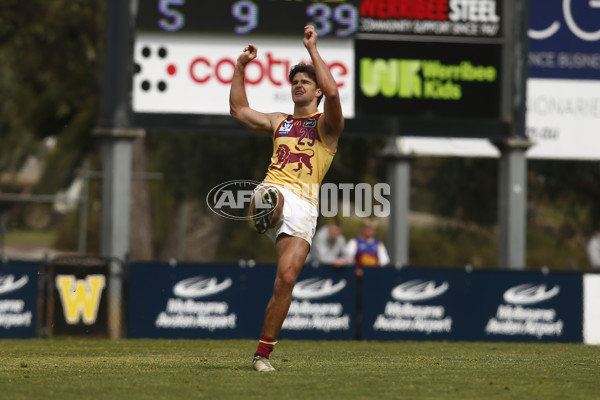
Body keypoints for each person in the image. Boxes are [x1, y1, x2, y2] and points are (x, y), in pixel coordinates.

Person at [229, 25, 344, 372]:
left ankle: (261, 355)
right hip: (276, 190)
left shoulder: (327, 126)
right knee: (269, 195)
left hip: (305, 208)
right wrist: (240, 66)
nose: (298, 84)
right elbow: (239, 110)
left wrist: (313, 50)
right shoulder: (279, 122)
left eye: (305, 82)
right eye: (294, 81)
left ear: (317, 91)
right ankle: (264, 209)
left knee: (287, 280)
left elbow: (336, 94)